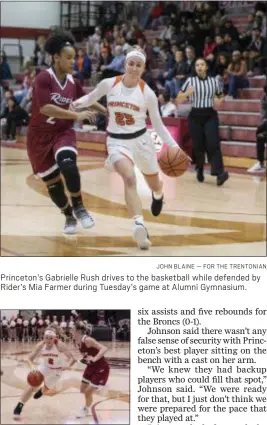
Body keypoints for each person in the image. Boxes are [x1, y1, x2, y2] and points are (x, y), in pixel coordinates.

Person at [71, 48, 181, 249]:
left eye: (138, 65)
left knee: (154, 184)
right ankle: (139, 224)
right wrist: (75, 105)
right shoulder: (109, 84)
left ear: (143, 68)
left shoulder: (147, 93)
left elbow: (157, 124)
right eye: (131, 63)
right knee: (129, 178)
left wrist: (174, 146)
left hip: (141, 141)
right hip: (116, 142)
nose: (134, 67)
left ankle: (158, 195)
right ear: (125, 64)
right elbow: (90, 98)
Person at [26, 31, 106, 234]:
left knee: (69, 165)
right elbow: (45, 108)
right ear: (56, 58)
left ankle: (79, 207)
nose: (73, 62)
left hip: (62, 132)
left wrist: (107, 110)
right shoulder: (44, 78)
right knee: (53, 186)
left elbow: (86, 100)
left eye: (75, 58)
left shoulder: (73, 82)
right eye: (69, 58)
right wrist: (77, 116)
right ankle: (69, 215)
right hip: (39, 137)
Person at [177, 57, 229, 186]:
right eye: (197, 65)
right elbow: (178, 99)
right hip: (195, 116)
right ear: (195, 68)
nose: (199, 67)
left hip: (210, 115)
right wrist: (186, 93)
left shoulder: (213, 81)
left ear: (206, 67)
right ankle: (199, 168)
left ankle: (219, 173)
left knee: (213, 144)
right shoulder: (190, 81)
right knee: (198, 146)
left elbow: (221, 96)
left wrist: (220, 100)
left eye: (202, 64)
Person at [13, 328, 76, 419]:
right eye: (46, 337)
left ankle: (42, 391)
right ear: (43, 337)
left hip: (57, 370)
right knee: (32, 385)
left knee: (46, 388)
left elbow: (72, 359)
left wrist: (68, 365)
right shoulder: (40, 345)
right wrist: (32, 367)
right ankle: (19, 406)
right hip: (45, 367)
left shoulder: (60, 345)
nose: (48, 340)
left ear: (55, 338)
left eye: (51, 338)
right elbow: (29, 359)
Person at [73, 321, 109, 419]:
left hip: (101, 368)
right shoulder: (76, 341)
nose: (71, 331)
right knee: (82, 389)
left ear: (78, 331)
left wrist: (94, 359)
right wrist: (83, 360)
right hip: (90, 367)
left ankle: (85, 409)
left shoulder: (88, 340)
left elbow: (104, 348)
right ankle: (99, 385)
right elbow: (85, 355)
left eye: (73, 329)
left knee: (87, 392)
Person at [248, 84, 267, 172]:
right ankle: (261, 164)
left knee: (261, 133)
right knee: (260, 134)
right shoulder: (264, 99)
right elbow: (264, 117)